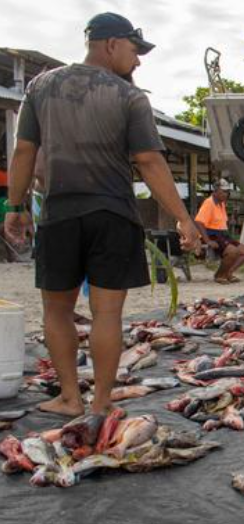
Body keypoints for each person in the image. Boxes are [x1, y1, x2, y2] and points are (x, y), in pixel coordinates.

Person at [7, 12, 200, 417]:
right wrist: (184, 218)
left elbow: (24, 152)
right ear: (111, 44)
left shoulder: (41, 87)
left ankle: (69, 398)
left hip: (59, 215)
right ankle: (102, 402)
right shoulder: (130, 97)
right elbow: (149, 160)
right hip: (113, 215)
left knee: (56, 311)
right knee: (107, 314)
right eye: (135, 50)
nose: (138, 60)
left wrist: (17, 206)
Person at [194, 180, 244, 284]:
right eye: (224, 191)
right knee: (233, 251)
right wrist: (207, 240)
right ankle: (219, 275)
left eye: (227, 192)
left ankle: (228, 273)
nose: (226, 194)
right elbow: (199, 222)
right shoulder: (209, 203)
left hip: (222, 234)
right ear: (215, 191)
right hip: (212, 234)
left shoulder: (221, 203)